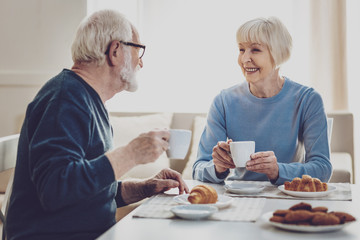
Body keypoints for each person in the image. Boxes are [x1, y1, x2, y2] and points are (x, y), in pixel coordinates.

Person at [6, 10, 188, 240]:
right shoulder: (65, 98)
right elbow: (55, 190)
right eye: (138, 51)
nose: (141, 62)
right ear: (115, 51)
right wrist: (130, 154)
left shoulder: (85, 98)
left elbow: (88, 190)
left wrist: (146, 187)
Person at [192, 17, 332, 185]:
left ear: (278, 53)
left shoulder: (307, 100)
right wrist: (217, 167)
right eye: (241, 49)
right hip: (238, 199)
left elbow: (322, 168)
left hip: (288, 195)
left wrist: (278, 171)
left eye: (255, 50)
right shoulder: (223, 101)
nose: (244, 59)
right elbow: (198, 167)